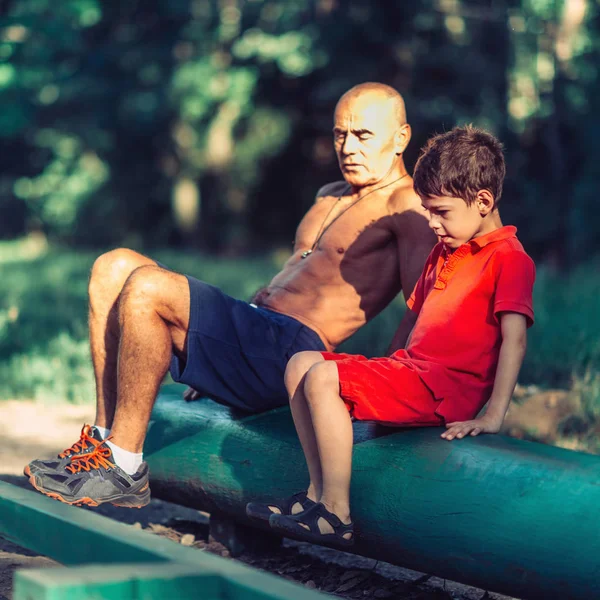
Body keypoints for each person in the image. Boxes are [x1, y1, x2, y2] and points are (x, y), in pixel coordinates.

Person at [24, 82, 437, 508]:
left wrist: (390, 392)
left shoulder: (406, 205)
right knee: (113, 266)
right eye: (339, 134)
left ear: (401, 137)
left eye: (363, 135)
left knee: (148, 286)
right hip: (254, 336)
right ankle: (102, 446)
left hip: (294, 352)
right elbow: (299, 274)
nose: (348, 146)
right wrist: (222, 351)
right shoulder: (329, 194)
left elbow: (422, 304)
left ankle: (125, 467)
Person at [249, 126, 535, 548]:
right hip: (413, 373)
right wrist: (386, 368)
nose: (432, 224)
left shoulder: (510, 259)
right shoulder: (445, 251)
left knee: (325, 379)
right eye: (427, 211)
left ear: (484, 202)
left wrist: (493, 415)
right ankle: (317, 496)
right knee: (301, 364)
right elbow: (417, 319)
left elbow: (515, 341)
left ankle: (337, 513)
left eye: (441, 212)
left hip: (446, 389)